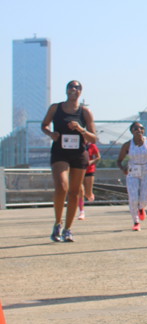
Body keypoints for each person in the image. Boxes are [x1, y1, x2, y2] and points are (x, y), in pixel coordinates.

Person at [40, 80, 98, 242]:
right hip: (60, 152)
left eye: (77, 87)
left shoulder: (85, 112)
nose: (74, 89)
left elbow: (94, 138)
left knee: (74, 193)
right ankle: (58, 223)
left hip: (78, 154)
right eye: (71, 87)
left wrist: (80, 129)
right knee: (61, 187)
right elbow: (44, 125)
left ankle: (68, 229)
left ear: (80, 92)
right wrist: (50, 134)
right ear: (66, 90)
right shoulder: (55, 108)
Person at [116, 121, 147, 232]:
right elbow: (119, 160)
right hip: (133, 171)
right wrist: (123, 168)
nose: (139, 130)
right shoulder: (127, 145)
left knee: (144, 198)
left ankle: (141, 208)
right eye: (136, 128)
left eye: (141, 128)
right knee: (133, 198)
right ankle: (136, 222)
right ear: (131, 131)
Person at [78, 141, 101, 220]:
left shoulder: (92, 146)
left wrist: (91, 162)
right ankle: (81, 211)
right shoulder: (77, 144)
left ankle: (90, 194)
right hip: (79, 169)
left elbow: (98, 157)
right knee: (80, 191)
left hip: (89, 169)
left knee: (88, 194)